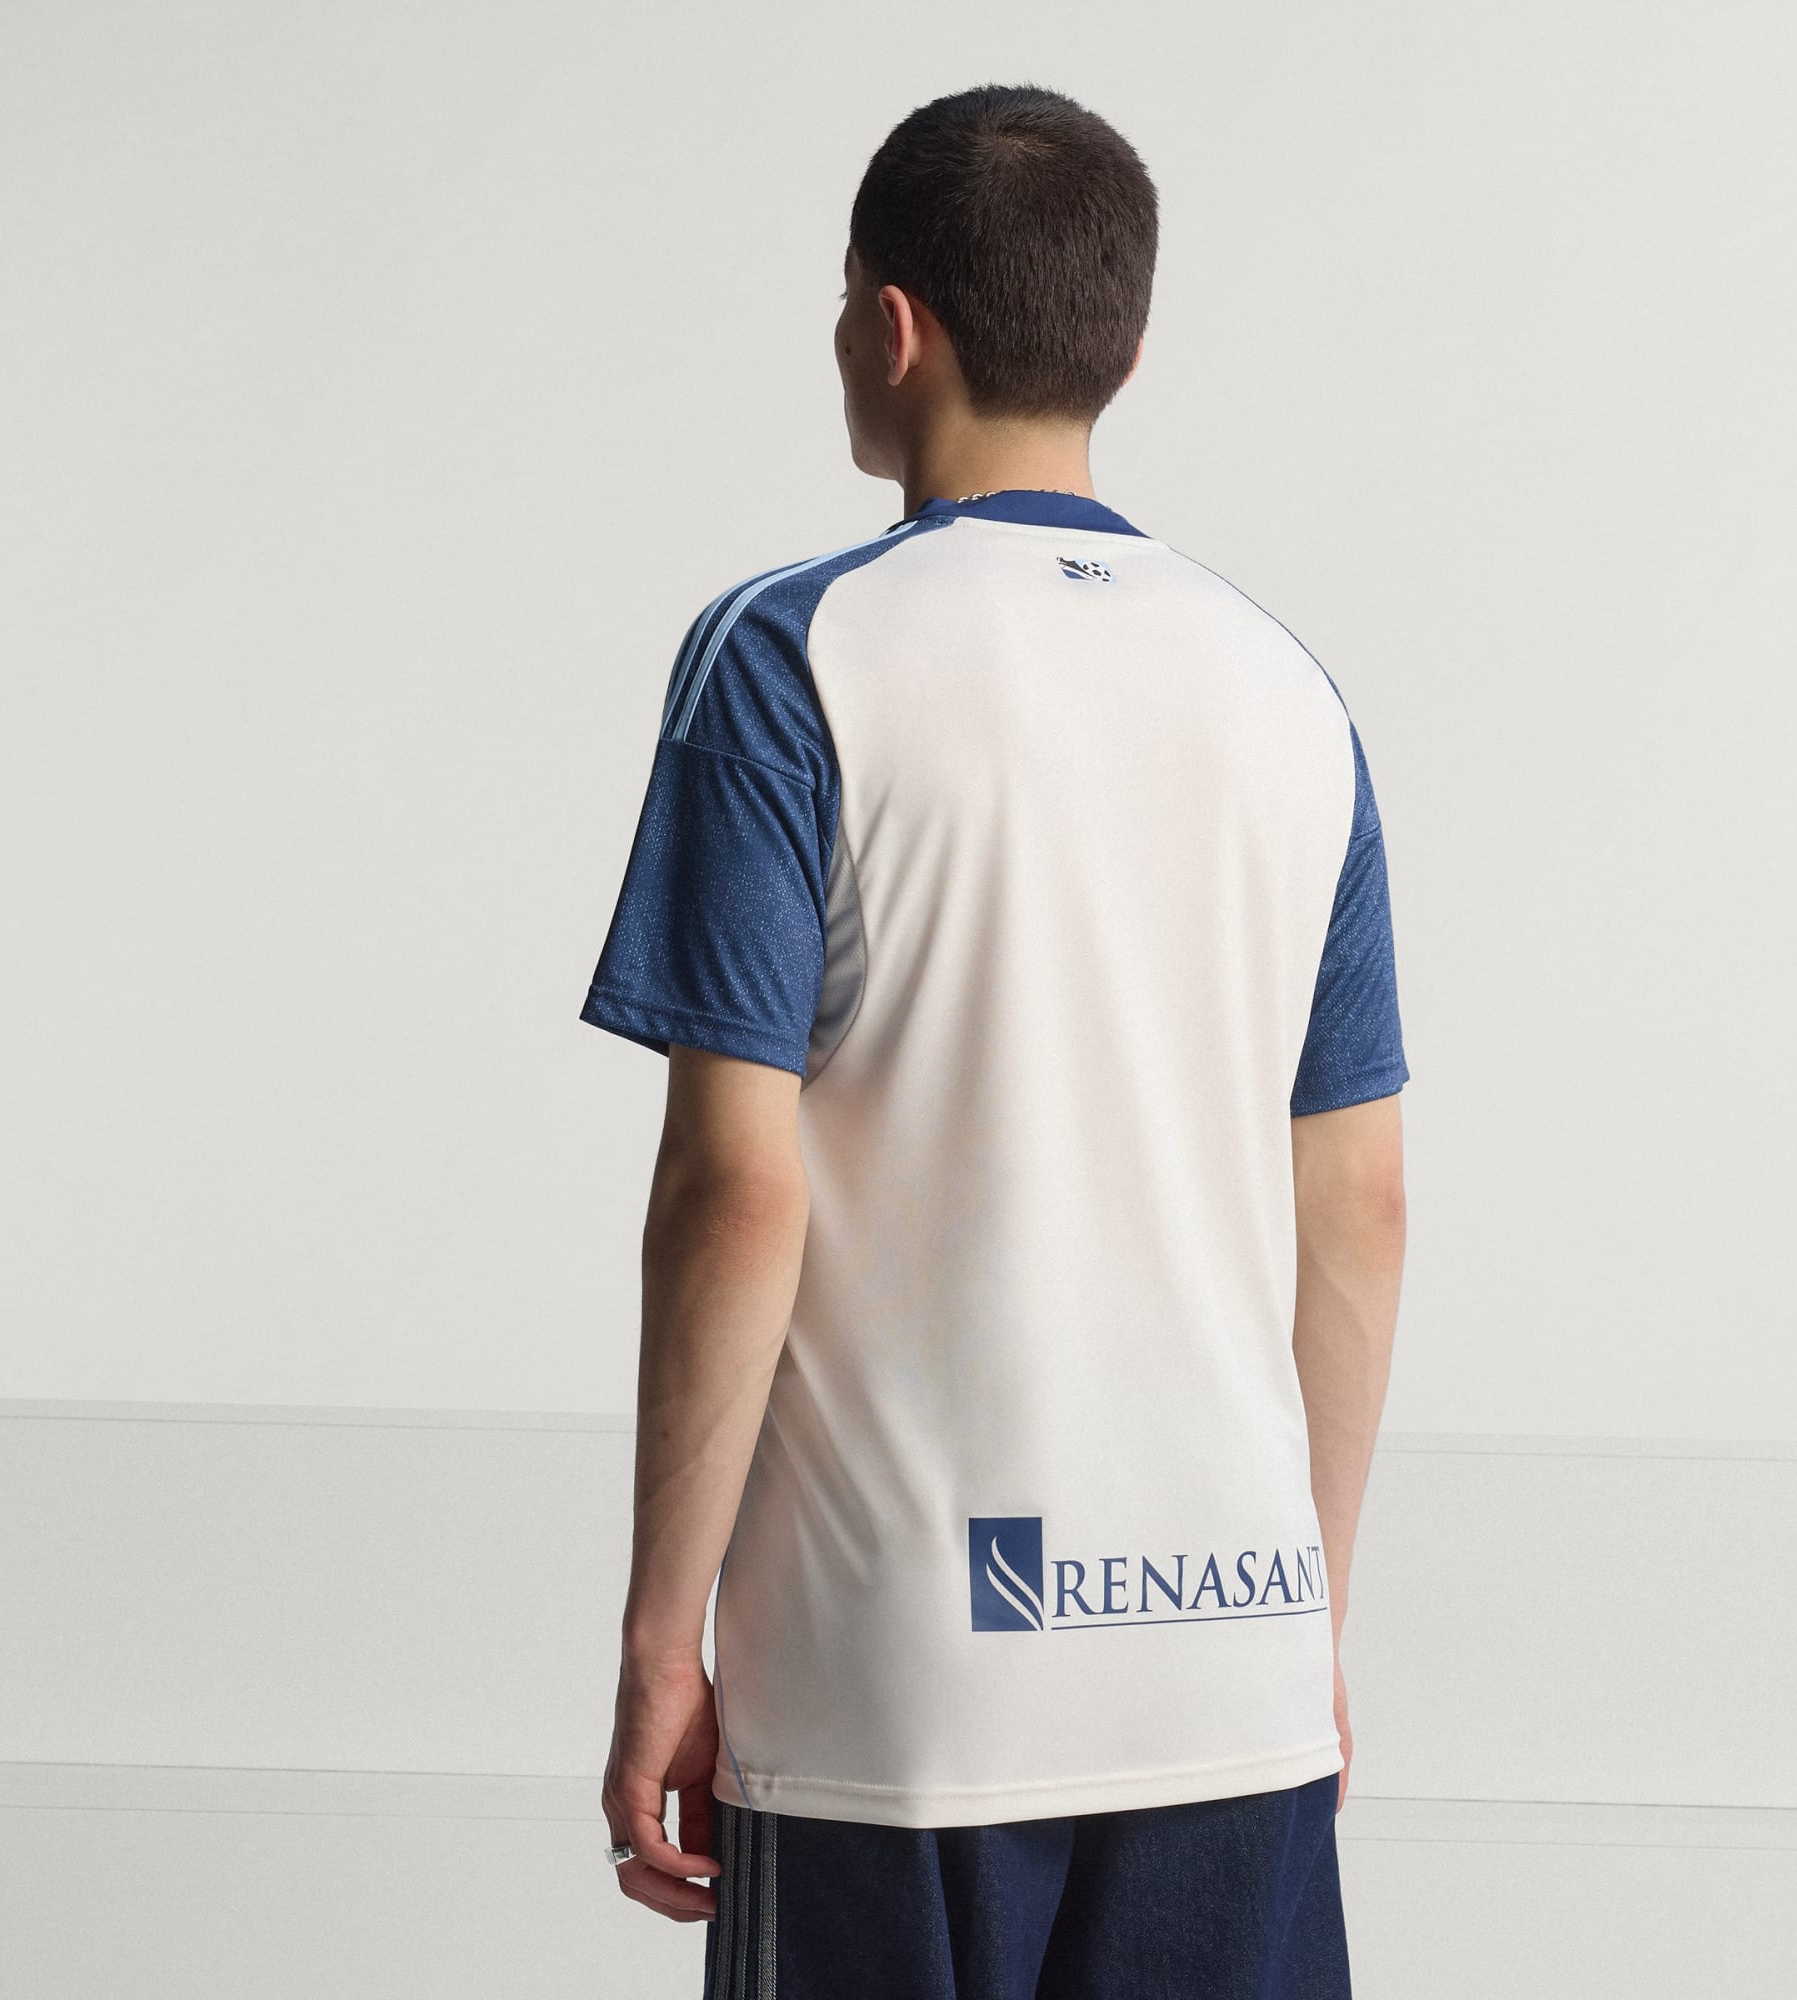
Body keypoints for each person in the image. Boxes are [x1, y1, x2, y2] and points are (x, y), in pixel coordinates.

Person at [584, 82, 1409, 2000]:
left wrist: (656, 1641)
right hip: (1230, 1657)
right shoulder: (1289, 691)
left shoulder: (788, 658)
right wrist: (1304, 1622)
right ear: (1124, 346)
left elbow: (732, 1191)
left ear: (893, 327)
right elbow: (1360, 1205)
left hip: (897, 1692)